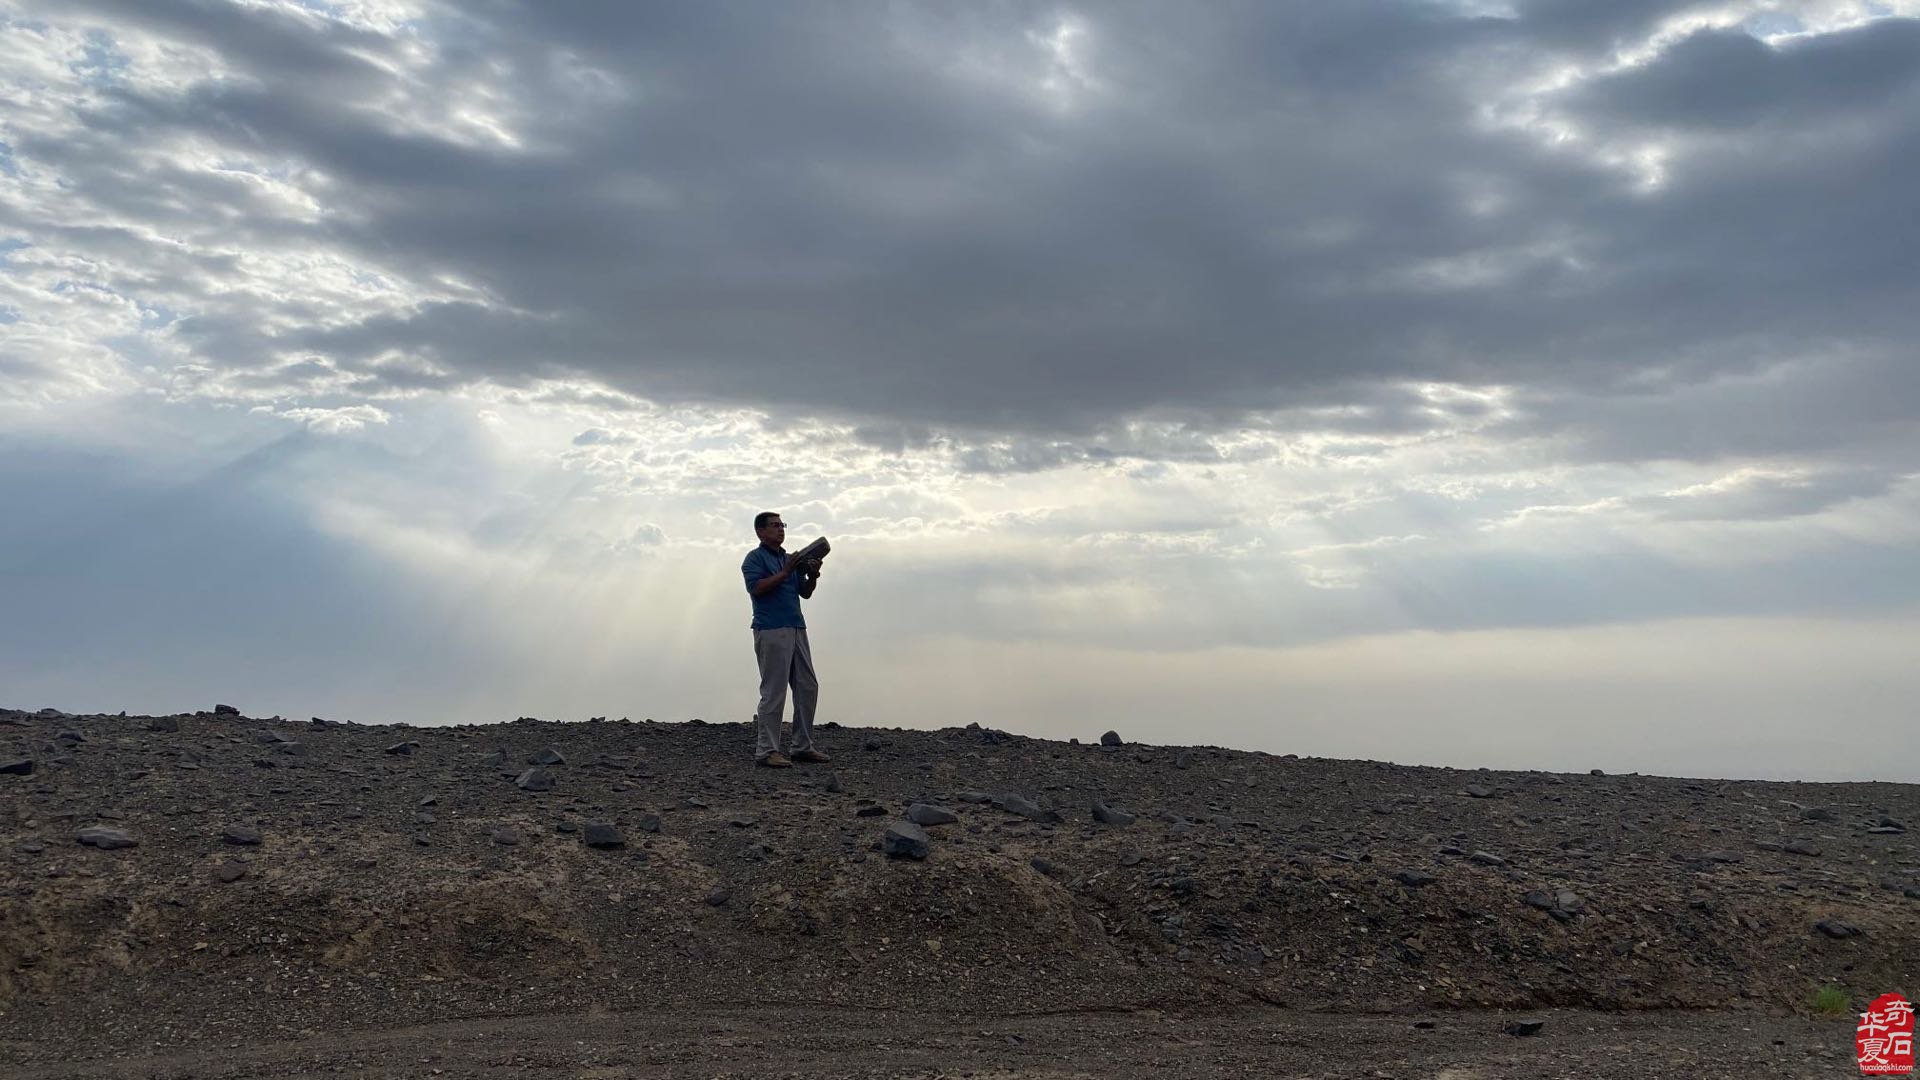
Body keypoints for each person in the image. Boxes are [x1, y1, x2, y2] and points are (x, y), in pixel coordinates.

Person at [741, 511, 828, 767]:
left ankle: (802, 745)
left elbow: (805, 593)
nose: (781, 529)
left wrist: (812, 575)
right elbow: (757, 588)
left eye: (782, 525)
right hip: (771, 629)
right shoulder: (754, 559)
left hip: (796, 627)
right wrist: (787, 571)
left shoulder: (790, 559)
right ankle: (767, 751)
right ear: (760, 531)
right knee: (774, 691)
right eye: (775, 525)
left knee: (807, 686)